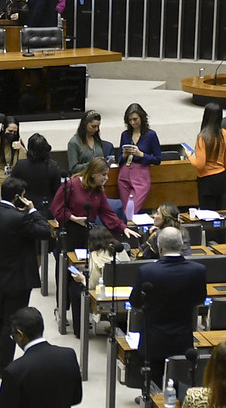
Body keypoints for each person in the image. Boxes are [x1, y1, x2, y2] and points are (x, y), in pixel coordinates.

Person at [0, 177, 51, 369]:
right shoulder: (21, 218)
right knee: (12, 321)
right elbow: (45, 231)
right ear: (19, 197)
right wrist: (32, 210)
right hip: (18, 277)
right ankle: (3, 365)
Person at [129, 226, 207, 386]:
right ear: (181, 245)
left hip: (153, 339)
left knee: (152, 386)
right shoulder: (198, 270)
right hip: (182, 337)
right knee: (180, 384)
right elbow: (200, 299)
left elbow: (135, 302)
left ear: (160, 246)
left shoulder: (147, 271)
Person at [51, 158, 127, 238]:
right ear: (93, 173)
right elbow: (57, 208)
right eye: (103, 174)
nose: (106, 178)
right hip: (70, 231)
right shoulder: (71, 184)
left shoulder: (98, 189)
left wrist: (123, 228)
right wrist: (74, 218)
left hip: (89, 233)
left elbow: (107, 213)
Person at [116, 104, 162, 216]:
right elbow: (118, 159)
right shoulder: (125, 135)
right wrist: (124, 154)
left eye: (135, 119)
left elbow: (158, 159)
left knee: (130, 212)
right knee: (124, 210)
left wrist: (141, 154)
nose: (133, 122)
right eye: (130, 120)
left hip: (141, 174)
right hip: (124, 174)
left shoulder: (150, 135)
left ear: (142, 117)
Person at [190, 103, 226, 211]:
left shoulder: (203, 137)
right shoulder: (225, 134)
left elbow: (200, 165)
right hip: (221, 178)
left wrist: (189, 156)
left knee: (207, 215)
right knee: (220, 213)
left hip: (207, 181)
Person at [11, 133, 64, 210]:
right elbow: (57, 191)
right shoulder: (53, 166)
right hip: (46, 206)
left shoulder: (20, 165)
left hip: (24, 206)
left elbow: (13, 186)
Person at [67, 110, 109, 174]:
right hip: (82, 178)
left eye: (98, 126)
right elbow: (73, 168)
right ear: (85, 125)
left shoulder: (97, 140)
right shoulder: (74, 143)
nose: (96, 129)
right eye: (93, 126)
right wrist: (93, 164)